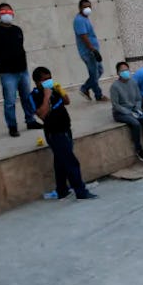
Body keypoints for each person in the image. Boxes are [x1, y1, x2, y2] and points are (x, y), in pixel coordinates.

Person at [30, 66, 97, 200]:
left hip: (66, 129)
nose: (49, 81)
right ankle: (81, 192)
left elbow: (66, 102)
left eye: (50, 78)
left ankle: (62, 190)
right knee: (72, 162)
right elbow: (42, 115)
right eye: (45, 80)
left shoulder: (53, 89)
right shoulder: (34, 96)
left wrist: (60, 91)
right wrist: (46, 97)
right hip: (54, 133)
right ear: (37, 82)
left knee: (60, 162)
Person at [0, 3, 43, 137]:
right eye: (3, 11)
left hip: (22, 70)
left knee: (26, 98)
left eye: (8, 11)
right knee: (10, 101)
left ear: (12, 13)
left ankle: (30, 121)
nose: (6, 13)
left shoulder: (17, 30)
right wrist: (0, 59)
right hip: (7, 73)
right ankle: (12, 126)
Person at [110, 62, 143, 162]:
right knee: (135, 123)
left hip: (134, 110)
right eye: (122, 71)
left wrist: (138, 109)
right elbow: (116, 105)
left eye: (127, 70)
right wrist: (128, 113)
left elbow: (138, 98)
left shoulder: (133, 82)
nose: (125, 72)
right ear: (118, 73)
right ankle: (138, 149)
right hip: (121, 113)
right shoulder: (115, 86)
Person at [73, 0, 107, 101]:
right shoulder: (79, 20)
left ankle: (85, 88)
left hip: (92, 50)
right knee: (94, 73)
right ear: (80, 8)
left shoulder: (85, 18)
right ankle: (98, 95)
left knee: (99, 71)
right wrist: (92, 49)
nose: (87, 9)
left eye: (89, 6)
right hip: (88, 52)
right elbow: (83, 36)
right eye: (85, 7)